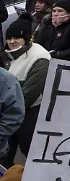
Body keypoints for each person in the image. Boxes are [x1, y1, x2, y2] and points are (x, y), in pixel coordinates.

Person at [0, 20, 47, 163]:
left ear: (26, 38)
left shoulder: (40, 57)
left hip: (29, 110)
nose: (12, 42)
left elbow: (31, 91)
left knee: (28, 147)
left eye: (16, 38)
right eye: (9, 38)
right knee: (6, 151)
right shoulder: (8, 54)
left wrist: (8, 107)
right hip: (9, 108)